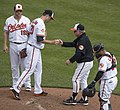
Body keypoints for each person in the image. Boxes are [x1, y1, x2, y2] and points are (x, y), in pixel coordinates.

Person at [11, 9, 59, 100]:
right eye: (50, 18)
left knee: (38, 69)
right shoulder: (41, 23)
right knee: (29, 69)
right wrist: (52, 42)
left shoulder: (35, 20)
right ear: (47, 16)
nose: (50, 20)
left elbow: (28, 32)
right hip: (34, 49)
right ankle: (16, 88)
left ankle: (38, 90)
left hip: (32, 47)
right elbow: (40, 40)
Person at [59, 23, 94, 105]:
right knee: (83, 80)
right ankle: (84, 99)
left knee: (75, 79)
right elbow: (73, 44)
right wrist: (62, 43)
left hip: (85, 63)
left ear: (79, 31)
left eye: (75, 31)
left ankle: (73, 99)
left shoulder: (82, 40)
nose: (74, 32)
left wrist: (70, 61)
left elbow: (79, 54)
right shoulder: (81, 37)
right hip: (88, 62)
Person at [3, 4, 31, 91]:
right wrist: (5, 44)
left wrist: (28, 45)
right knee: (14, 66)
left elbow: (30, 33)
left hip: (23, 45)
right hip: (13, 45)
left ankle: (27, 84)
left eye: (20, 11)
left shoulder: (26, 20)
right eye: (17, 11)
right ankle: (15, 84)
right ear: (14, 11)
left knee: (25, 65)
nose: (19, 13)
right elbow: (5, 32)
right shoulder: (9, 20)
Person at [87, 43, 118, 110]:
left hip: (107, 81)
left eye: (97, 52)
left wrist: (94, 82)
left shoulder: (103, 59)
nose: (97, 54)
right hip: (113, 79)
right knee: (104, 97)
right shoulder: (110, 54)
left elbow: (101, 72)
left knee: (103, 100)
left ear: (101, 50)